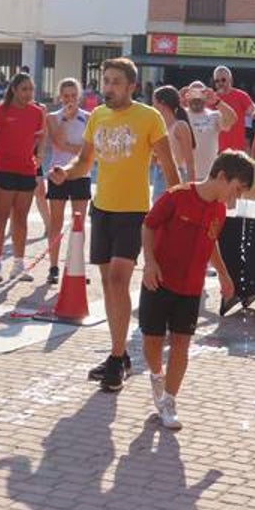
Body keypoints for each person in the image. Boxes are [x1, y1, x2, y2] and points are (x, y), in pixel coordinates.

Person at [50, 57, 179, 392]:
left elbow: (168, 166)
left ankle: (116, 358)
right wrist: (66, 173)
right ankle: (117, 354)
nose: (108, 87)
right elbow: (84, 162)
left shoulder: (149, 117)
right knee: (108, 285)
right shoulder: (98, 116)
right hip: (102, 209)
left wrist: (177, 208)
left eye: (115, 82)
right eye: (106, 81)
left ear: (131, 86)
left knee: (120, 280)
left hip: (134, 213)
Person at [139, 151, 251, 429]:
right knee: (152, 341)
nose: (234, 199)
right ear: (222, 176)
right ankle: (156, 375)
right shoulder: (176, 196)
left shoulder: (219, 210)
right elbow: (148, 225)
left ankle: (169, 401)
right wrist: (149, 263)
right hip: (160, 280)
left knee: (181, 344)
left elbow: (211, 241)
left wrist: (225, 276)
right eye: (235, 190)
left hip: (190, 288)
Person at [0, 72, 45, 282]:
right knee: (0, 217)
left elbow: (40, 137)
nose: (28, 93)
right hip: (2, 169)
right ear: (14, 90)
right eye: (24, 89)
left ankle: (18, 265)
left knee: (21, 219)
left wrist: (39, 155)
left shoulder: (37, 112)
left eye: (31, 89)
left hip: (26, 170)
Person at [45, 78, 91, 284]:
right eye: (66, 96)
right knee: (56, 221)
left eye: (73, 96)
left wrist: (72, 147)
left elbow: (88, 151)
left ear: (79, 96)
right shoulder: (53, 117)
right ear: (60, 97)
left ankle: (76, 267)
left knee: (78, 221)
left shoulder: (88, 118)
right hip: (57, 173)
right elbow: (57, 142)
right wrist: (65, 119)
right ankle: (53, 267)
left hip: (81, 173)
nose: (69, 100)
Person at [184, 80, 236, 181]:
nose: (197, 97)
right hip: (185, 175)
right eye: (194, 92)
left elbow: (232, 119)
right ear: (188, 95)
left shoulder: (214, 115)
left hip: (208, 176)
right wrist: (178, 99)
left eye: (201, 92)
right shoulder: (180, 115)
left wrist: (217, 101)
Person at [151, 85, 195, 198]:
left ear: (162, 104)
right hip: (159, 173)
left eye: (154, 103)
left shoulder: (180, 126)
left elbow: (189, 161)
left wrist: (192, 188)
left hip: (177, 174)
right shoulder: (157, 127)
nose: (153, 106)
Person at [209, 65, 255, 153]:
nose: (220, 83)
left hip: (237, 150)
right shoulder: (212, 98)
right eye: (217, 81)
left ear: (231, 80)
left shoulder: (240, 95)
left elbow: (253, 109)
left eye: (223, 80)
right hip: (217, 150)